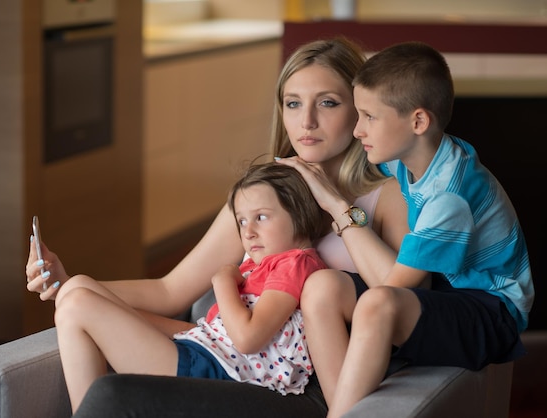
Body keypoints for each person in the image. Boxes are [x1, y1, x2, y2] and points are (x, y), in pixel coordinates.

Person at [25, 36, 409, 417]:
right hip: (227, 351)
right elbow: (169, 290)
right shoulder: (259, 196)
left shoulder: (386, 196)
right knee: (75, 294)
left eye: (327, 102)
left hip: (298, 380)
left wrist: (334, 202)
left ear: (360, 109)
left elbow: (403, 299)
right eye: (293, 104)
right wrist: (63, 281)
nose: (306, 121)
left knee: (110, 395)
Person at [319, 41, 535, 418]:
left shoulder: (448, 198)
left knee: (378, 303)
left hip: (492, 309)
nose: (357, 130)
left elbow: (394, 286)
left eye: (369, 116)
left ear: (418, 122)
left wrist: (338, 208)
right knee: (328, 284)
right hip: (453, 290)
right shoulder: (414, 158)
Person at [53, 162, 332, 410]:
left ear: (299, 214)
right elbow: (217, 332)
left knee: (77, 306)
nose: (248, 232)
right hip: (207, 352)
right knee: (77, 291)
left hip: (217, 371)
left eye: (261, 217)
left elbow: (247, 338)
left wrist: (222, 281)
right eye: (242, 221)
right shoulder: (260, 266)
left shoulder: (294, 263)